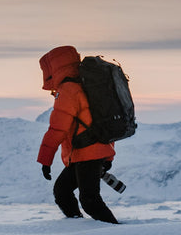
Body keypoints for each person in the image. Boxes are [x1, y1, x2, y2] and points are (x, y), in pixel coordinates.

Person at [36, 45, 119, 224]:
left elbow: (58, 128)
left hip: (87, 152)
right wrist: (107, 157)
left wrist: (45, 160)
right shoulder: (85, 84)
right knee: (63, 191)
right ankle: (76, 230)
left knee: (89, 201)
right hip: (88, 151)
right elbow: (102, 121)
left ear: (52, 68)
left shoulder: (68, 90)